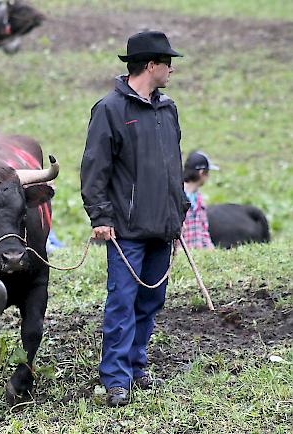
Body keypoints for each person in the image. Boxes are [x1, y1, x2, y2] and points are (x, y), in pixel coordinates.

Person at [80, 31, 190, 407]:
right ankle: (115, 377)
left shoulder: (168, 108)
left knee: (151, 300)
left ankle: (136, 365)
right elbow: (95, 171)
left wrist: (180, 211)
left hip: (163, 227)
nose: (171, 69)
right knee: (122, 302)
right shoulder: (109, 110)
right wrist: (100, 216)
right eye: (167, 62)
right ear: (151, 66)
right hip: (125, 231)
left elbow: (173, 166)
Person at [182, 151, 219, 250]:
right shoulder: (178, 196)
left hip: (197, 254)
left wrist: (210, 249)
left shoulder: (199, 199)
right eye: (207, 173)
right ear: (201, 173)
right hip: (181, 255)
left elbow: (203, 231)